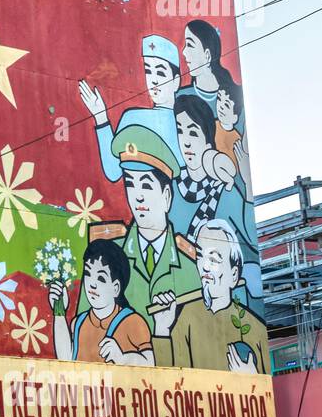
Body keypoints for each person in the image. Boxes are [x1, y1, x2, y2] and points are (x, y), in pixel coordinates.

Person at [81, 111, 200, 335]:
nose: (138, 196)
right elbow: (84, 334)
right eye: (130, 184)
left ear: (167, 196)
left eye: (146, 185)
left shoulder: (190, 266)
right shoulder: (104, 255)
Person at [170, 93, 261, 298]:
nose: (186, 142)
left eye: (193, 133)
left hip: (222, 304)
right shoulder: (172, 191)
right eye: (180, 132)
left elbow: (249, 236)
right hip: (180, 296)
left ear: (208, 139)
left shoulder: (225, 192)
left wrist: (245, 184)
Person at [151, 219, 267, 373]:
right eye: (200, 257)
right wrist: (162, 329)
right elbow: (170, 383)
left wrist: (252, 378)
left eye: (213, 259)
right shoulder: (187, 315)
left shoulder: (255, 329)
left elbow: (266, 392)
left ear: (233, 274)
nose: (204, 266)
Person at [80, 34, 183, 185]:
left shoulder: (186, 120)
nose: (153, 80)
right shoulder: (132, 117)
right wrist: (101, 118)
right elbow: (114, 172)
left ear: (176, 81)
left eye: (160, 73)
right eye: (148, 71)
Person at [49, 239, 153, 366]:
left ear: (116, 288)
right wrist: (59, 312)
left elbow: (151, 364)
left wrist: (122, 357)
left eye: (101, 278)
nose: (92, 284)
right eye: (88, 273)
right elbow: (66, 359)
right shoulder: (79, 323)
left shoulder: (133, 322)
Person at [181, 19, 243, 134]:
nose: (184, 51)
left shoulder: (232, 98)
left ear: (207, 55)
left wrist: (229, 126)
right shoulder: (181, 97)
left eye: (190, 45)